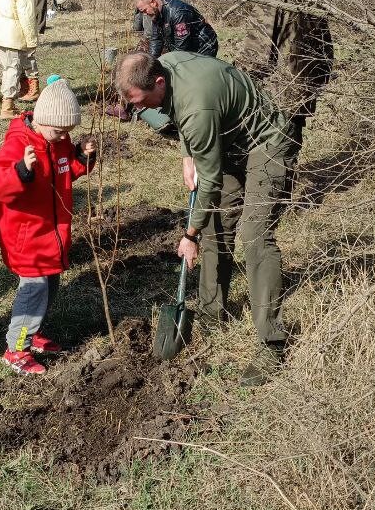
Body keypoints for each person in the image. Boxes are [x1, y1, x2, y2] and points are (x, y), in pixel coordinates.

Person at [114, 51, 296, 387]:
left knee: (255, 238)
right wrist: (188, 155)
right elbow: (182, 115)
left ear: (158, 82)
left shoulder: (197, 108)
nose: (138, 108)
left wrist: (190, 234)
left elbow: (209, 181)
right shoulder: (164, 62)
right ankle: (213, 312)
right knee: (217, 226)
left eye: (140, 102)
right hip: (228, 140)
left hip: (268, 142)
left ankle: (272, 341)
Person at [0, 77, 97, 375]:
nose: (62, 137)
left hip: (53, 234)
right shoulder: (18, 143)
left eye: (67, 133)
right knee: (34, 291)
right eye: (58, 131)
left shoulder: (59, 141)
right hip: (26, 236)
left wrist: (84, 157)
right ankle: (16, 348)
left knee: (50, 287)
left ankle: (33, 335)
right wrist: (21, 172)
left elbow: (67, 171)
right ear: (42, 119)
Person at [233, 0, 334, 153]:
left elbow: (255, 57)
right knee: (292, 146)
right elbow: (326, 51)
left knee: (272, 154)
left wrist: (236, 84)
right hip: (305, 89)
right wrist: (317, 84)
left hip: (276, 94)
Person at [135, 0, 219, 58]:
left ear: (153, 3)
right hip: (184, 46)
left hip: (204, 47)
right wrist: (152, 62)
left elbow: (182, 47)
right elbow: (156, 39)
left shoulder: (178, 13)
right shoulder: (155, 13)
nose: (144, 14)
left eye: (145, 10)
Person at [18, 0, 47, 102]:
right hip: (21, 22)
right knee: (21, 56)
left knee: (28, 55)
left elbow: (39, 4)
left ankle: (33, 89)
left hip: (29, 23)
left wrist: (38, 26)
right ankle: (24, 87)